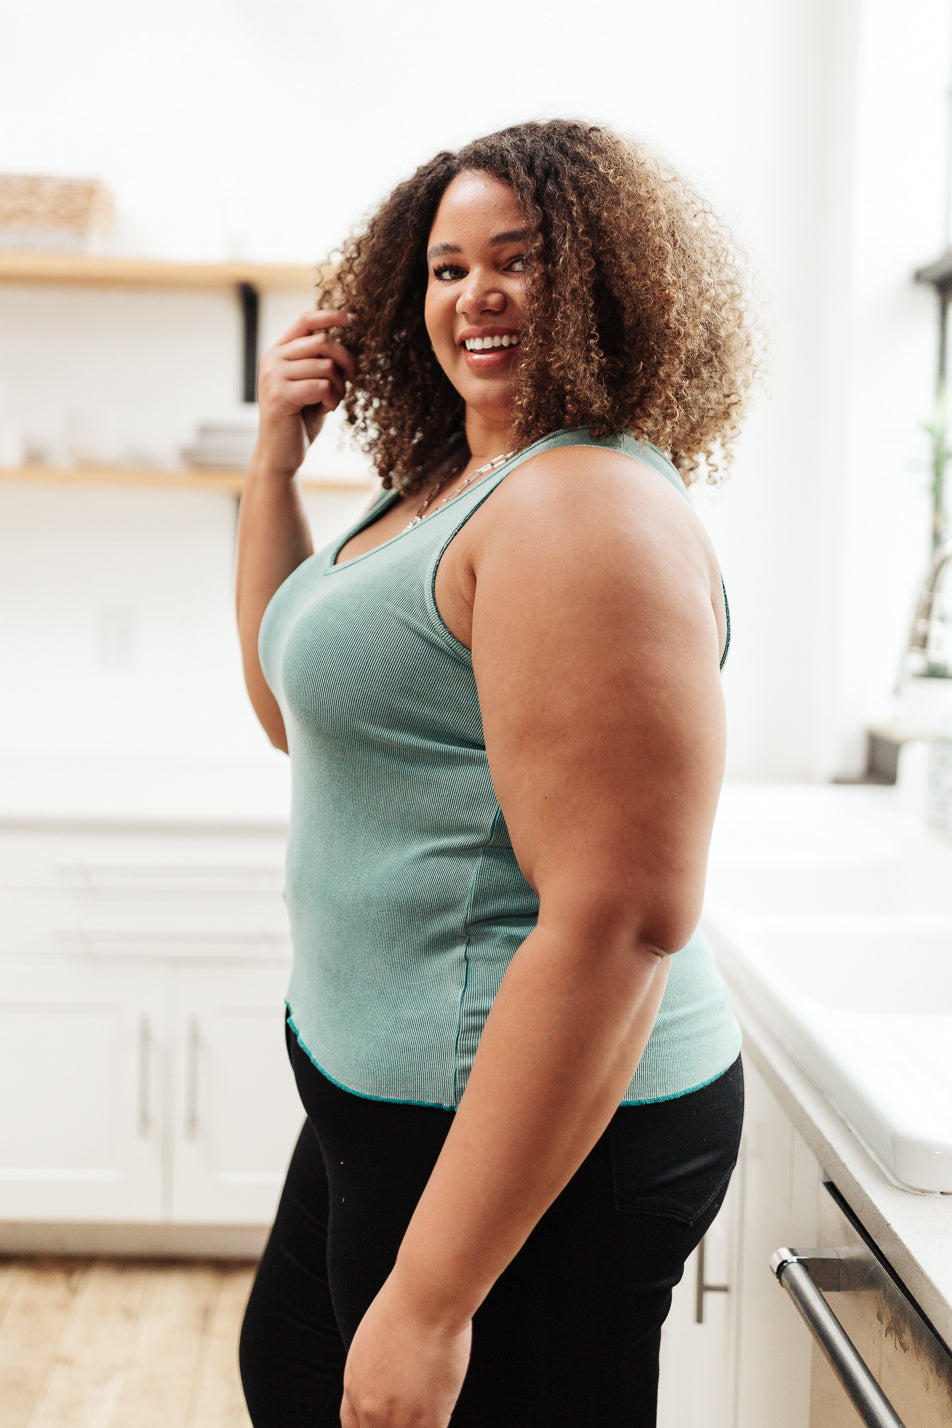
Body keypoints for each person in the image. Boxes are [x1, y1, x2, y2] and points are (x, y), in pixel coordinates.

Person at [235, 118, 760, 1428]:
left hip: (525, 1130)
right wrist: (273, 460)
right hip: (394, 1095)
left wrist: (429, 1300)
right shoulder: (449, 482)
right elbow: (290, 707)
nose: (475, 295)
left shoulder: (580, 509)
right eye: (447, 266)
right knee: (297, 1380)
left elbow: (620, 921)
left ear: (602, 280)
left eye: (517, 261)